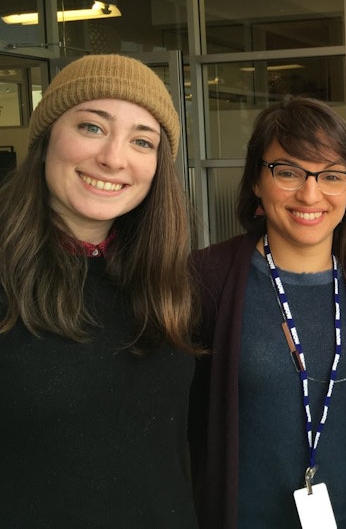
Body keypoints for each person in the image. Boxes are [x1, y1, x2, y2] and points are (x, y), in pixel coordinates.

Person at [0, 54, 198, 527]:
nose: (113, 157)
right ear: (47, 137)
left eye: (142, 141)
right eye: (92, 127)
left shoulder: (168, 281)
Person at [189, 96, 346, 529]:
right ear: (256, 182)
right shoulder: (206, 279)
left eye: (332, 176)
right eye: (288, 172)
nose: (310, 193)